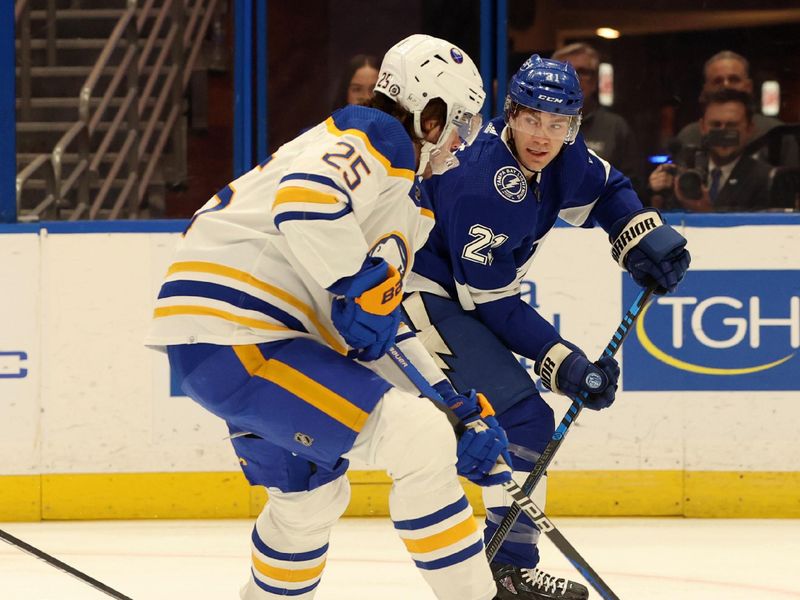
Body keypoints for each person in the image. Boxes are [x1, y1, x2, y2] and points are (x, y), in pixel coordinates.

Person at [146, 34, 514, 600]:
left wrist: (455, 405)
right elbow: (305, 202)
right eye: (460, 124)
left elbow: (380, 324)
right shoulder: (381, 136)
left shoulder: (401, 194)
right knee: (417, 439)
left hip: (233, 339)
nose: (461, 143)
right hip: (245, 331)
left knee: (310, 495)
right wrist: (359, 284)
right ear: (430, 113)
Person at [403, 55, 691, 600]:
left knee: (522, 421)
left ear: (574, 125)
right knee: (519, 417)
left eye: (558, 123)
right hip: (422, 295)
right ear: (510, 113)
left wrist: (639, 235)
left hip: (464, 296)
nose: (544, 135)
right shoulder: (480, 184)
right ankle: (504, 567)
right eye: (532, 118)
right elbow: (492, 304)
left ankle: (503, 562)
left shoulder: (565, 156)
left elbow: (609, 189)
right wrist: (563, 360)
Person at [649, 88, 773, 212]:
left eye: (732, 125)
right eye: (716, 125)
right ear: (702, 127)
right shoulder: (684, 169)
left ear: (749, 129)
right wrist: (654, 193)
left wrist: (706, 212)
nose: (723, 132)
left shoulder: (765, 179)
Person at [677, 50, 798, 169]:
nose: (726, 86)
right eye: (717, 81)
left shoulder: (777, 134)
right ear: (706, 89)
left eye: (734, 79)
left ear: (749, 86)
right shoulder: (689, 137)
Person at [551, 42, 643, 193]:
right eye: (566, 71)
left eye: (582, 72)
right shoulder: (536, 125)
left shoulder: (615, 127)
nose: (574, 78)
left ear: (594, 81)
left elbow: (632, 189)